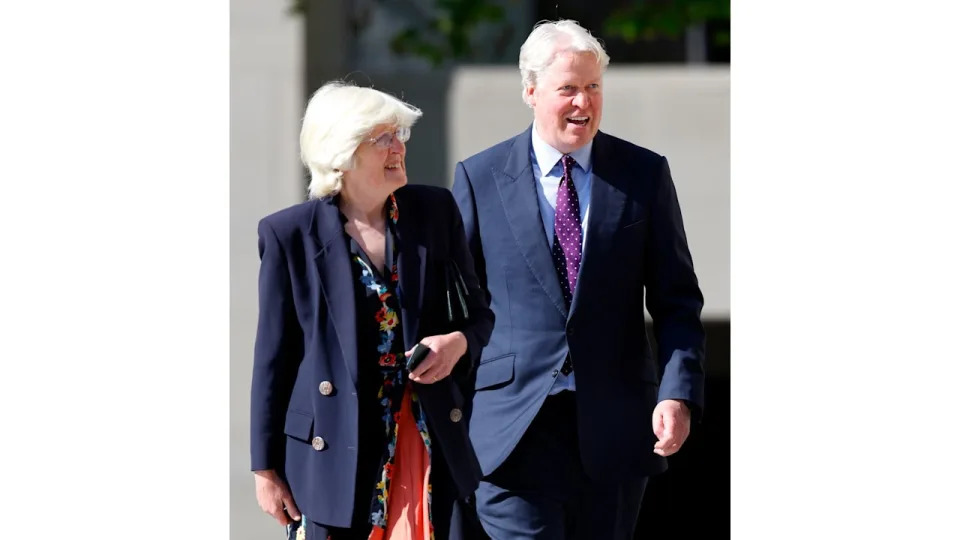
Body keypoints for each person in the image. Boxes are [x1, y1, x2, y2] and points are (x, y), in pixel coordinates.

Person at [451, 20, 706, 539]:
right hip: (512, 431)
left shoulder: (642, 175)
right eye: (567, 88)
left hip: (614, 429)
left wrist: (677, 394)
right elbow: (455, 303)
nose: (582, 103)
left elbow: (677, 301)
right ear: (530, 90)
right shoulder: (479, 179)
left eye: (592, 88)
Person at [251, 81, 494, 540]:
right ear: (340, 151)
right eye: (381, 138)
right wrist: (265, 469)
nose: (397, 147)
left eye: (399, 135)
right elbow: (273, 360)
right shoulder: (289, 236)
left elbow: (480, 315)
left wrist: (456, 343)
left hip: (423, 437)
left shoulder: (434, 210)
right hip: (332, 451)